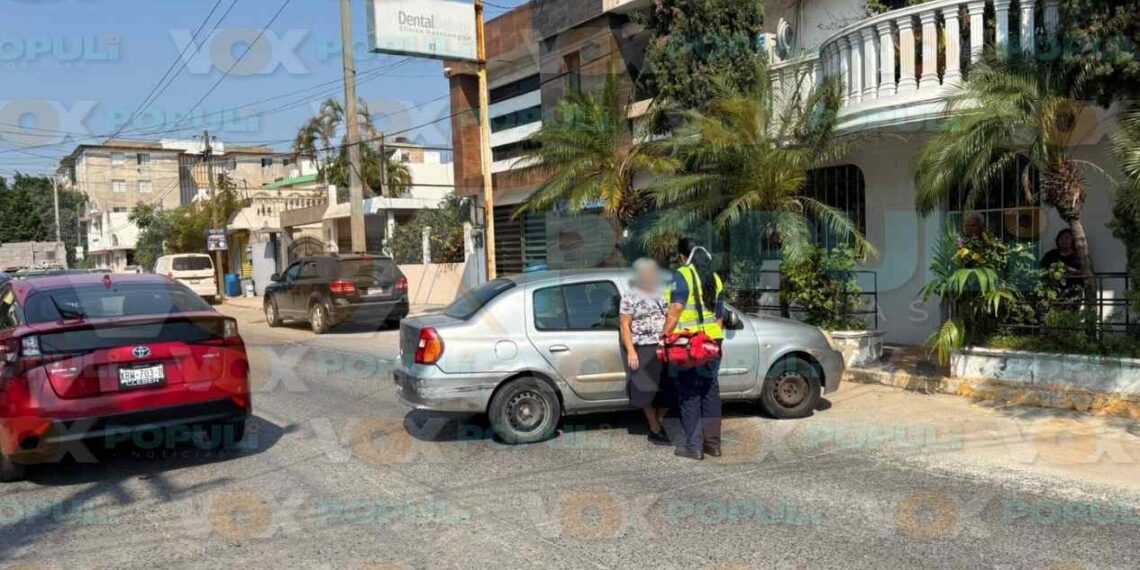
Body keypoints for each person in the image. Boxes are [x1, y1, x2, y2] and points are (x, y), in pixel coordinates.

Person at [661, 237, 725, 460]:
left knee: (690, 394)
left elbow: (676, 309)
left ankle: (693, 447)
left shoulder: (683, 274)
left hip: (690, 344)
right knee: (710, 392)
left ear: (682, 256)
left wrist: (664, 335)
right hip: (713, 342)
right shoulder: (714, 277)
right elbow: (720, 317)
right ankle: (713, 445)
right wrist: (712, 340)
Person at [619, 258, 674, 445]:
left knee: (668, 389)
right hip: (642, 346)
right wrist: (631, 351)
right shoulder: (629, 296)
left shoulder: (662, 293)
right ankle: (655, 428)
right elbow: (625, 325)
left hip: (662, 345)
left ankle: (658, 420)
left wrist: (666, 340)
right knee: (646, 391)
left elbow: (671, 317)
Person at [1040, 228, 1085, 299]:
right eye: (1061, 238)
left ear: (1073, 240)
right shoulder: (1051, 254)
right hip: (1053, 291)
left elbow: (1084, 271)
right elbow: (1041, 269)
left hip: (1072, 291)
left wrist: (1070, 270)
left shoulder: (1077, 256)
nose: (1064, 240)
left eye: (1067, 238)